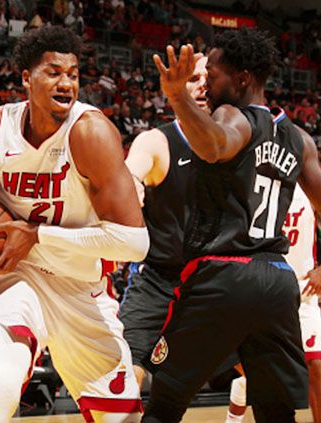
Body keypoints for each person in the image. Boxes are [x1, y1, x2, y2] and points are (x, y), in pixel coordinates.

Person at [142, 30, 321, 422]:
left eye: (215, 75)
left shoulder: (231, 117)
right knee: (276, 414)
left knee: (164, 405)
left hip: (223, 274)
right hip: (277, 284)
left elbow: (213, 145)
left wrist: (176, 96)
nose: (206, 84)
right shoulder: (298, 138)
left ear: (242, 79)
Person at [0, 26, 148, 421]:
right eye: (54, 72)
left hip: (82, 288)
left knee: (124, 419)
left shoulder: (90, 133)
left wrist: (37, 235)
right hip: (20, 277)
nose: (66, 83)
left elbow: (133, 244)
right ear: (26, 78)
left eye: (73, 74)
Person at [227, 185, 321, 423]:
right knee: (250, 366)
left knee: (315, 365)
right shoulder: (251, 184)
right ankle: (238, 406)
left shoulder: (310, 188)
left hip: (302, 289)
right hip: (260, 286)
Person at [120, 54, 207, 390]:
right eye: (191, 79)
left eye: (206, 79)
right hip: (158, 279)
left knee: (261, 370)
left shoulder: (233, 142)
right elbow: (131, 172)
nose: (200, 86)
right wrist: (133, 186)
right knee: (126, 375)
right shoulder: (157, 141)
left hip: (214, 279)